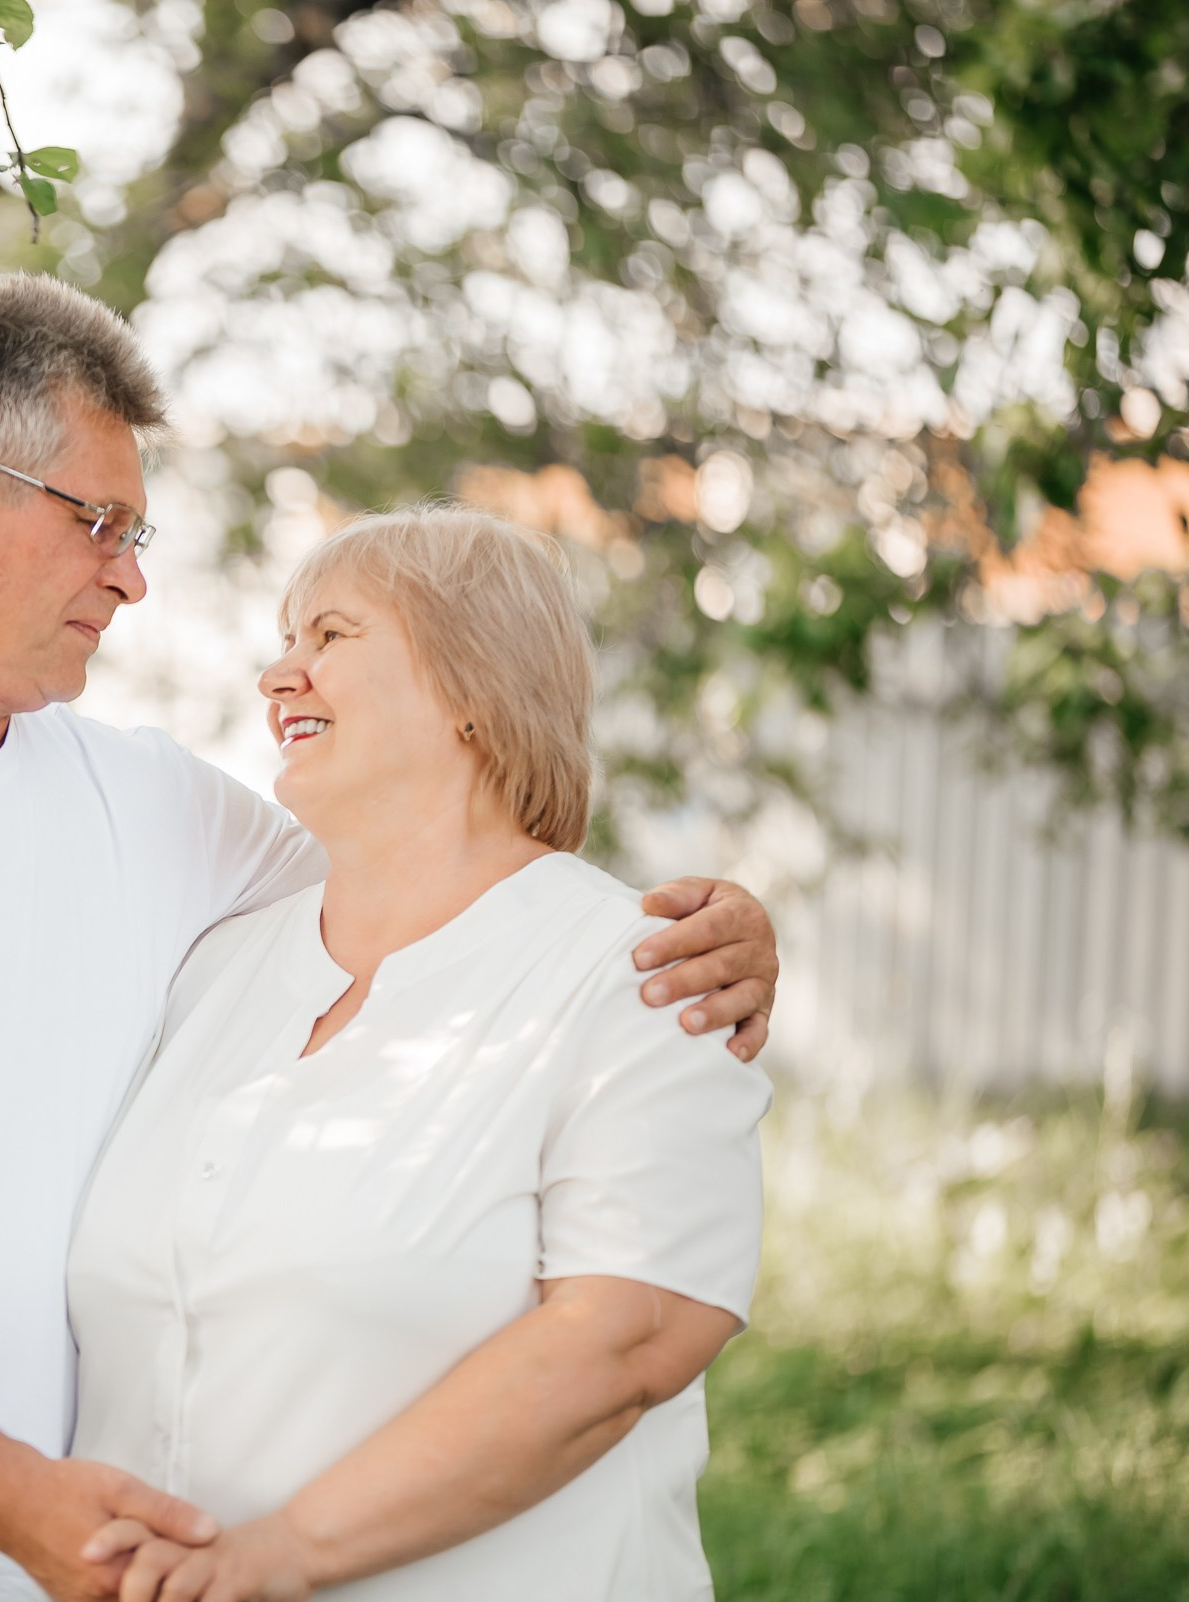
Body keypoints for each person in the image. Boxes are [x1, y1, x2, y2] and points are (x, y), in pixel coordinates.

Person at [0, 276, 780, 1602]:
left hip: (21, 1576)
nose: (131, 576)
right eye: (99, 522)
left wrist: (722, 936)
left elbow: (454, 880)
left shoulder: (154, 808)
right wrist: (17, 1499)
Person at [68, 506, 771, 1602]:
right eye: (285, 640)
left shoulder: (642, 976)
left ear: (472, 688)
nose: (279, 676)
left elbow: (624, 1342)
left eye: (330, 635)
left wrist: (280, 1553)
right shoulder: (217, 967)